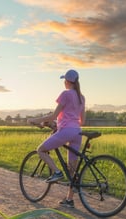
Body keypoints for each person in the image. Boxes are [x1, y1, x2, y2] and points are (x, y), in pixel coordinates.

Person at [28, 69, 86, 208]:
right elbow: (81, 120)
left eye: (64, 80)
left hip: (65, 131)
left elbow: (54, 116)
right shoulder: (81, 97)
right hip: (77, 132)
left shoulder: (65, 94)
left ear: (67, 81)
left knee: (41, 150)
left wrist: (35, 120)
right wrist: (61, 122)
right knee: (72, 169)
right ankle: (69, 200)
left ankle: (57, 172)